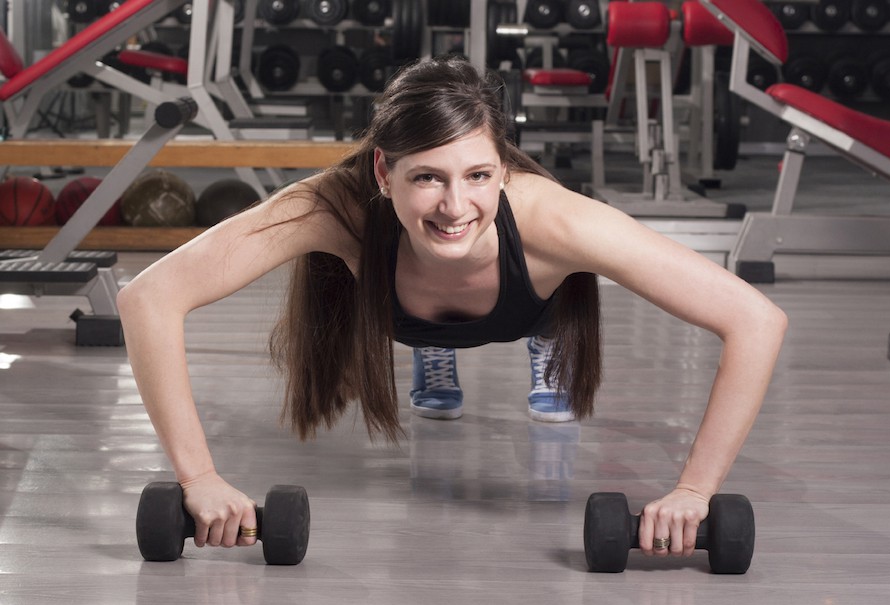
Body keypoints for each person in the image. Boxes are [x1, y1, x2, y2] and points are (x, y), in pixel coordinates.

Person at [118, 57, 787, 562]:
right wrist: (198, 477)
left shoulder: (561, 222)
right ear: (383, 173)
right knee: (431, 251)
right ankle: (432, 343)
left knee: (521, 285)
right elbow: (148, 296)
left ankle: (533, 340)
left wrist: (695, 493)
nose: (454, 202)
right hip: (401, 298)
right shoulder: (333, 206)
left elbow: (755, 319)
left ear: (501, 170)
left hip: (529, 302)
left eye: (476, 175)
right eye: (426, 177)